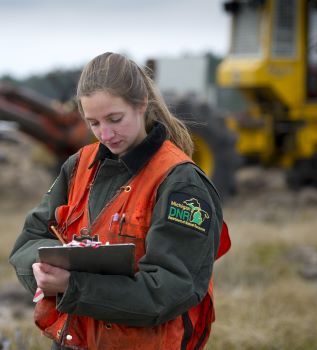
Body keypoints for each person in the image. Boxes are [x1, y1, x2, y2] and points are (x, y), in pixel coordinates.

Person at [9, 52, 230, 350]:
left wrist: (73, 286)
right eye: (94, 123)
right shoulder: (78, 166)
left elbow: (169, 291)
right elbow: (28, 241)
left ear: (141, 105)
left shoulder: (181, 185)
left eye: (115, 119)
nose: (106, 134)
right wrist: (41, 269)